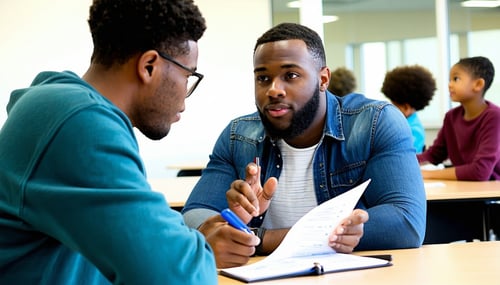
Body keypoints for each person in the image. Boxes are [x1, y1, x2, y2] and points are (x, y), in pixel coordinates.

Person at [0, 0, 217, 284]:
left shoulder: (55, 102)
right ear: (149, 66)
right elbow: (180, 275)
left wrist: (196, 241)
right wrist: (200, 249)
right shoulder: (81, 123)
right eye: (188, 75)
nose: (185, 96)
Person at [182, 22, 426, 269]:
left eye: (291, 76)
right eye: (263, 78)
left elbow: (406, 222)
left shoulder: (374, 123)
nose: (274, 90)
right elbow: (193, 214)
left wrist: (259, 237)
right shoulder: (238, 135)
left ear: (323, 79)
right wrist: (224, 227)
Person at [417, 56, 500, 181]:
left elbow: (480, 171)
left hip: (489, 194)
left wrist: (427, 174)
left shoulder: (494, 117)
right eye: (450, 80)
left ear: (478, 84)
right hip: (463, 189)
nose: (450, 84)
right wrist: (403, 160)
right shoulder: (451, 117)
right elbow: (434, 155)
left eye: (456, 79)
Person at [381, 65, 436, 153]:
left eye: (393, 104)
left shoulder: (414, 131)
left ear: (406, 108)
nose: (390, 106)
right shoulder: (400, 124)